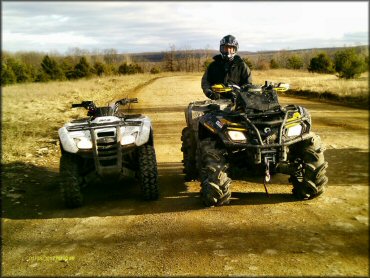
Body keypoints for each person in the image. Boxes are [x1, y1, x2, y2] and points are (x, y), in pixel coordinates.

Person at [201, 34, 252, 100]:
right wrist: (209, 93)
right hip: (217, 100)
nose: (228, 50)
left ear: (235, 49)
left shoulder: (241, 65)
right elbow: (205, 82)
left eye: (230, 48)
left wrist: (238, 93)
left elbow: (248, 84)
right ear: (221, 48)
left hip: (237, 100)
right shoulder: (213, 65)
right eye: (226, 48)